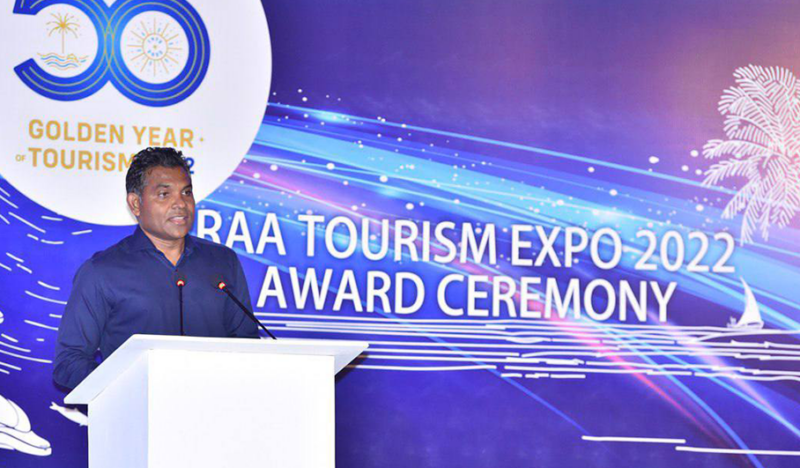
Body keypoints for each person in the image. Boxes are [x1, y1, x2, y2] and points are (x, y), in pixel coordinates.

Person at [53, 147, 258, 389]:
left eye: (186, 192)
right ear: (135, 204)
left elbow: (248, 345)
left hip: (214, 405)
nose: (180, 204)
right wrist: (126, 388)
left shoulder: (223, 261)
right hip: (134, 408)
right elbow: (69, 363)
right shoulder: (101, 271)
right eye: (164, 194)